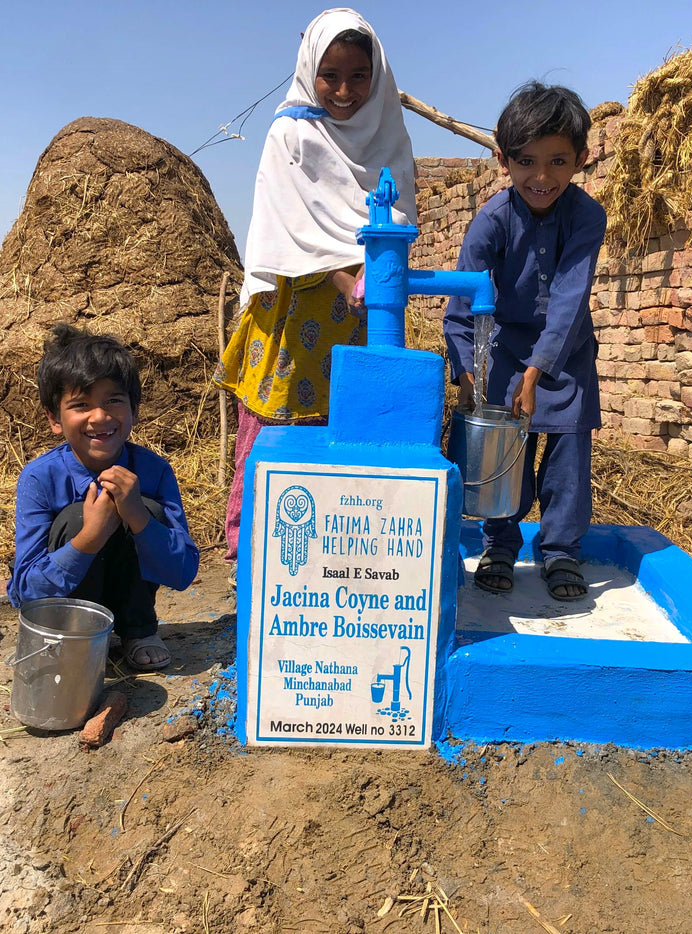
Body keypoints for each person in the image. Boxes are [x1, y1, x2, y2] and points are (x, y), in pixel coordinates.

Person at [214, 8, 415, 562]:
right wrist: (346, 272)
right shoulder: (290, 135)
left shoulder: (388, 134)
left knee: (344, 433)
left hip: (358, 316)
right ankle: (255, 551)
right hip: (294, 314)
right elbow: (289, 228)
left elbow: (397, 214)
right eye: (330, 75)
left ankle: (324, 558)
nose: (344, 90)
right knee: (276, 435)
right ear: (309, 71)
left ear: (377, 75)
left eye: (358, 76)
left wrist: (378, 269)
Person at [443, 81, 606, 602]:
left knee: (567, 457)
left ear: (581, 159)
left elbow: (569, 296)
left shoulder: (586, 216)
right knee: (503, 458)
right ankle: (501, 544)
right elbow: (462, 304)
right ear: (502, 159)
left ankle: (560, 552)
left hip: (566, 355)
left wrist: (539, 370)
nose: (542, 177)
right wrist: (466, 377)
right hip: (504, 354)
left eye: (558, 161)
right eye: (527, 161)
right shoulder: (491, 221)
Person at [8, 325, 200, 671]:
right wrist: (89, 537)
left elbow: (184, 571)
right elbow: (25, 593)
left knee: (151, 510)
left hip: (133, 602)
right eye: (81, 405)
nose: (100, 416)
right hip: (67, 615)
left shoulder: (153, 471)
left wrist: (138, 516)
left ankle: (137, 630)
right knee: (77, 518)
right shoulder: (39, 478)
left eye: (113, 400)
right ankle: (79, 636)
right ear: (55, 418)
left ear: (134, 409)